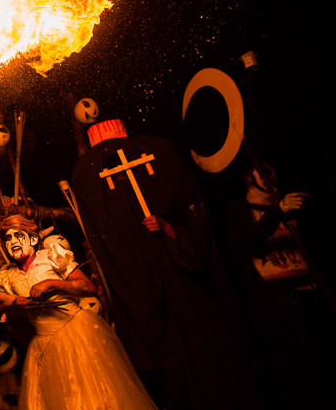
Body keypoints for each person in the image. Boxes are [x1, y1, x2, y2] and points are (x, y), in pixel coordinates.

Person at [70, 117, 263, 409]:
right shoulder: (89, 177)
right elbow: (111, 249)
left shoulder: (154, 154)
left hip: (188, 288)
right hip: (147, 287)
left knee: (212, 361)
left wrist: (171, 232)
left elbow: (195, 231)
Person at [0, 215, 156, 410]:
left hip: (75, 332)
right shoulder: (8, 275)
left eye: (18, 235)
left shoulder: (51, 256)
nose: (13, 242)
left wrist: (51, 283)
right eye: (8, 238)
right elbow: (12, 322)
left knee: (90, 394)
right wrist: (15, 306)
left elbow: (88, 287)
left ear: (33, 239)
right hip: (43, 344)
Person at [223, 163, 326, 408]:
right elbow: (244, 239)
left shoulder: (288, 207)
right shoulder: (239, 209)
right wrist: (277, 212)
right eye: (266, 172)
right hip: (277, 299)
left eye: (273, 171)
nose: (274, 175)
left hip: (310, 290)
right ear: (250, 178)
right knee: (299, 369)